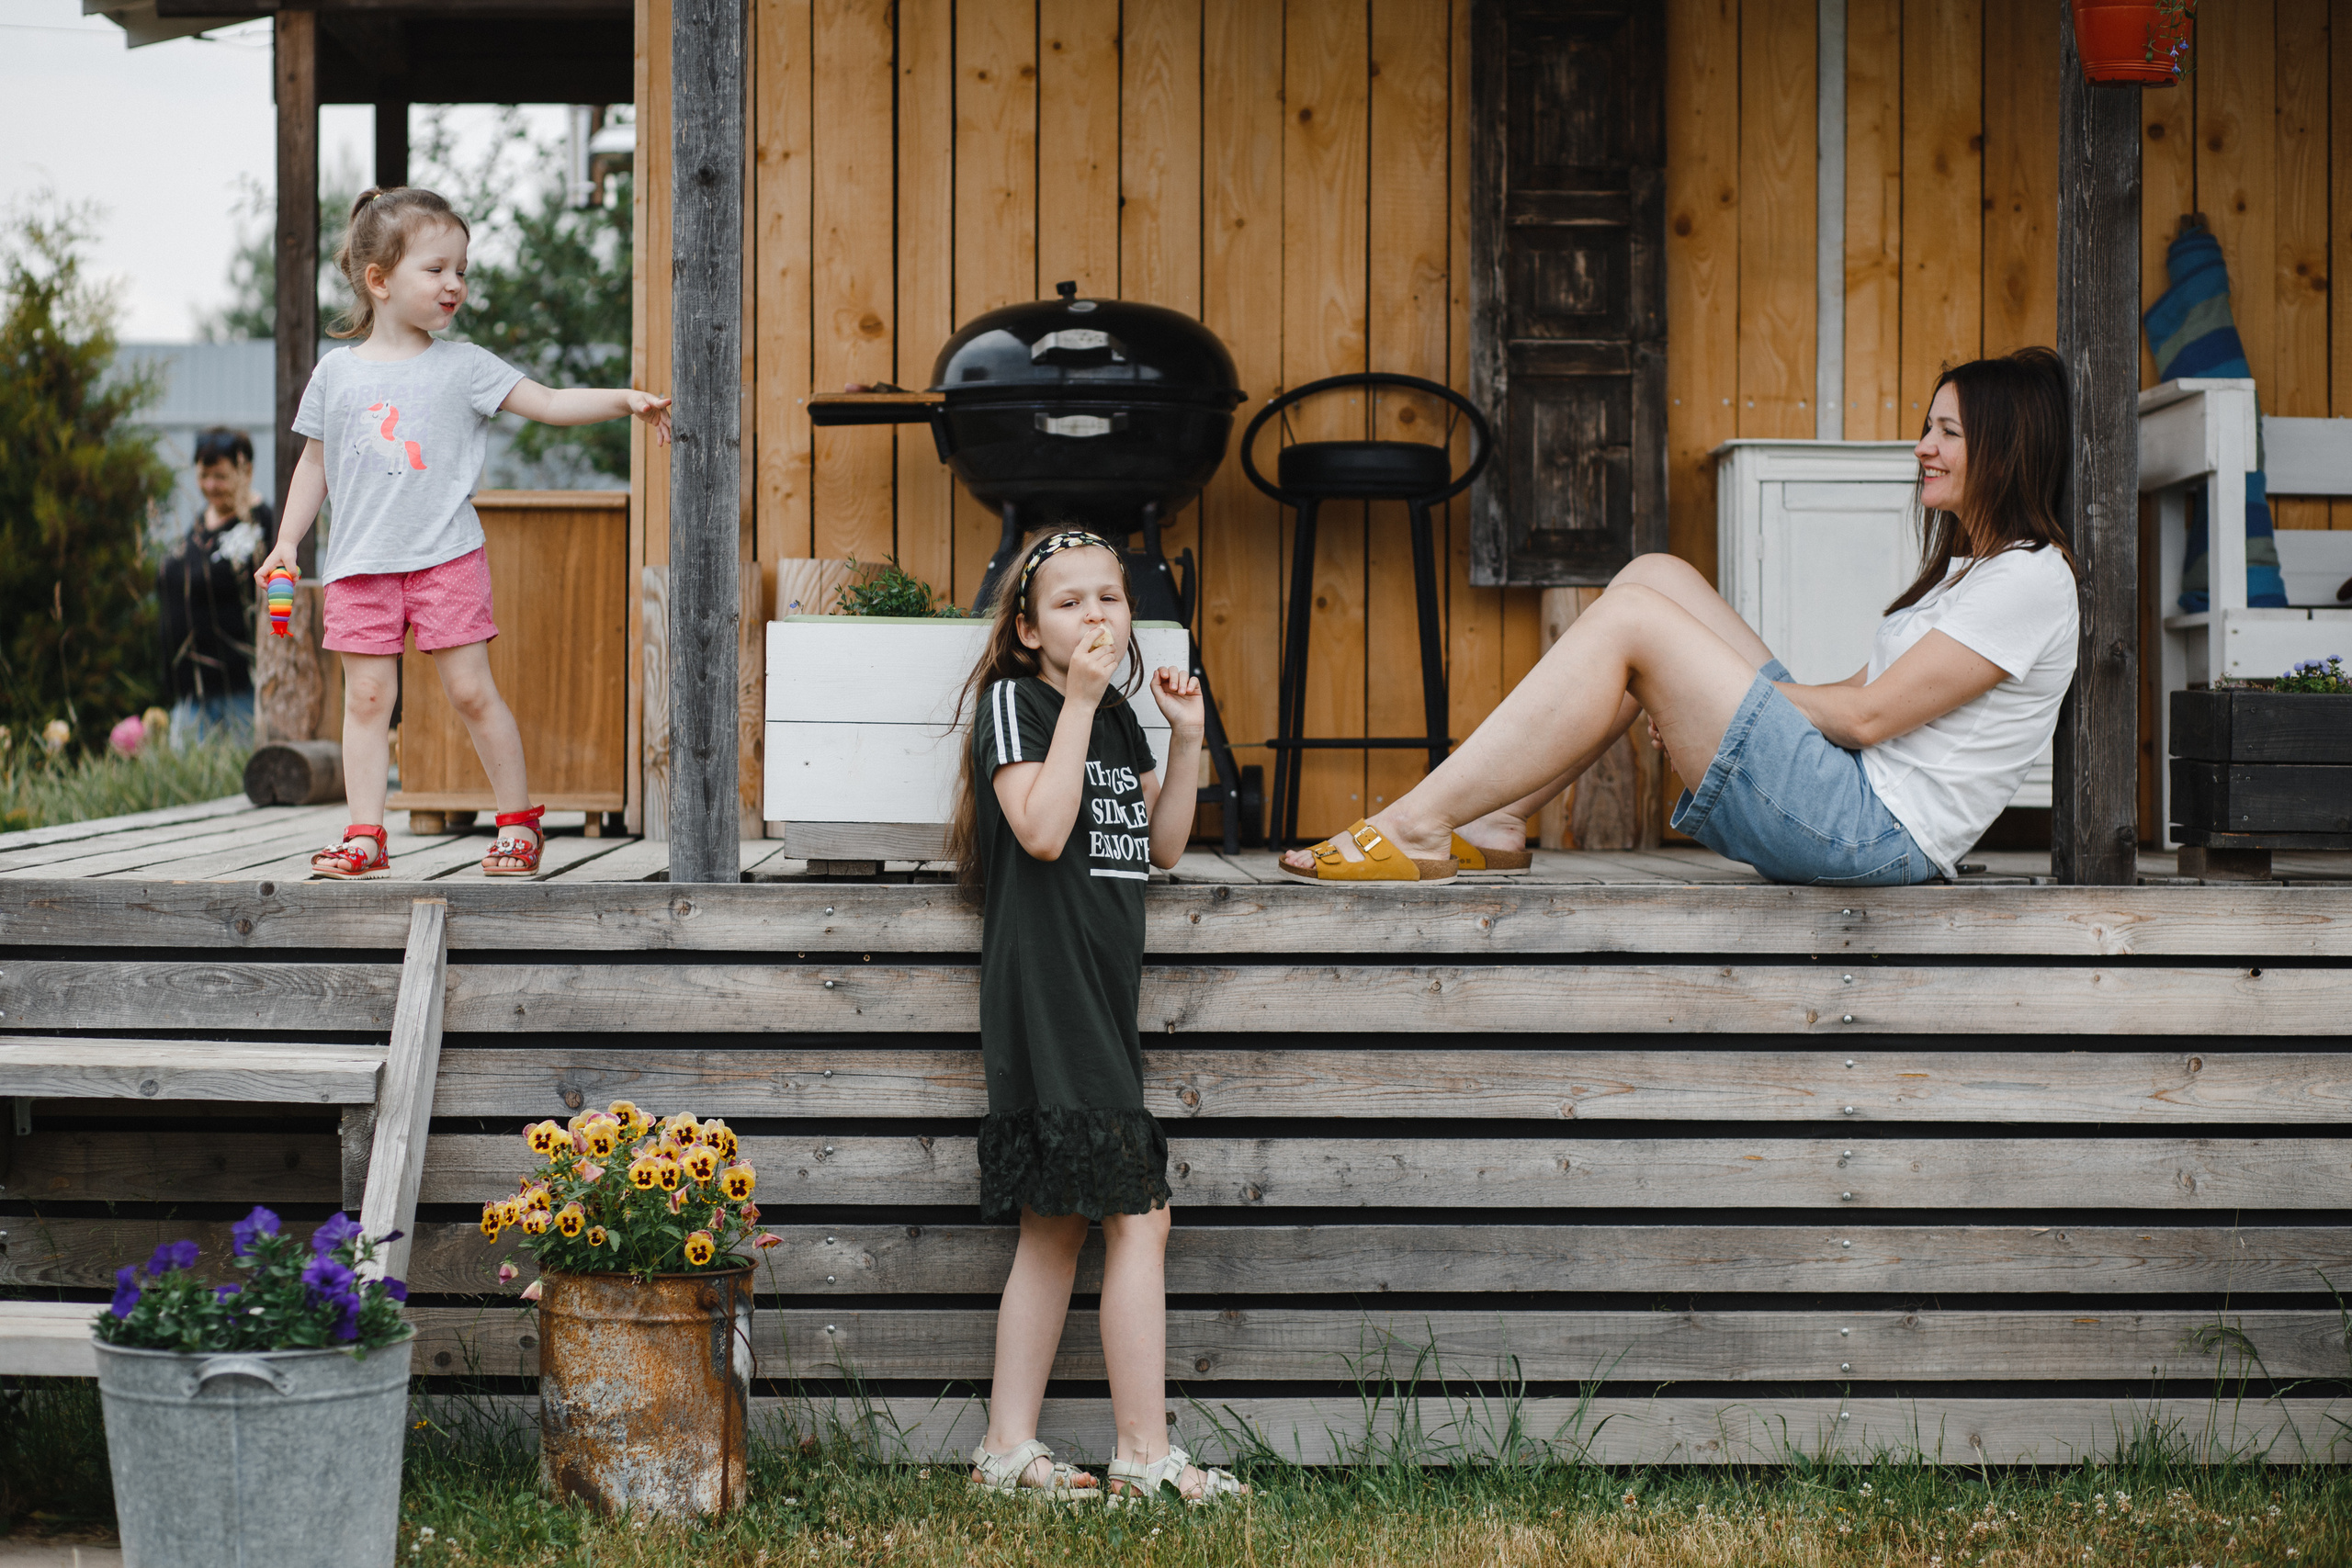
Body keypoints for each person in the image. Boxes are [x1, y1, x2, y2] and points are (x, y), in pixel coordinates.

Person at [1279, 347, 2080, 887]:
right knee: (1653, 577)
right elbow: (1861, 696)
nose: (1921, 449)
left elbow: (1868, 718)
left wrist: (1722, 698)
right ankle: (1497, 819)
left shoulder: (2030, 582)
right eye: (1926, 428)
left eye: (1948, 432)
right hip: (1850, 797)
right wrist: (1717, 699)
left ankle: (1416, 822)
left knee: (1633, 622)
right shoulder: (1978, 575)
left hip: (1874, 834)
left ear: (2007, 450)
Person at [945, 530, 1246, 1506]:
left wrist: (1185, 736)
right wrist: (1077, 701)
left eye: (1109, 598)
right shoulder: (1018, 702)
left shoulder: (1114, 716)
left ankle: (1005, 1450)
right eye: (1068, 603)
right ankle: (1143, 1452)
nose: (1094, 617)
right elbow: (1036, 831)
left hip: (1100, 991)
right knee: (1140, 1214)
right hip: (1049, 987)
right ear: (1028, 631)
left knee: (1056, 1224)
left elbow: (1159, 846)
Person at [253, 186, 671, 879]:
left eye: (461, 270)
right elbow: (315, 463)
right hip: (361, 565)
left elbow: (549, 401)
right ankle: (364, 836)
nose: (455, 284)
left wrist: (623, 400)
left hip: (446, 559)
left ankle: (518, 825)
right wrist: (287, 542)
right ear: (379, 281)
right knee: (366, 701)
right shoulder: (337, 373)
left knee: (472, 692)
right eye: (437, 269)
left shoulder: (466, 366)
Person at [156, 427, 272, 746]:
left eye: (220, 476)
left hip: (241, 690)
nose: (210, 486)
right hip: (190, 691)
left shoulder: (263, 528)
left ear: (245, 470)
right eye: (203, 475)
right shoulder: (195, 528)